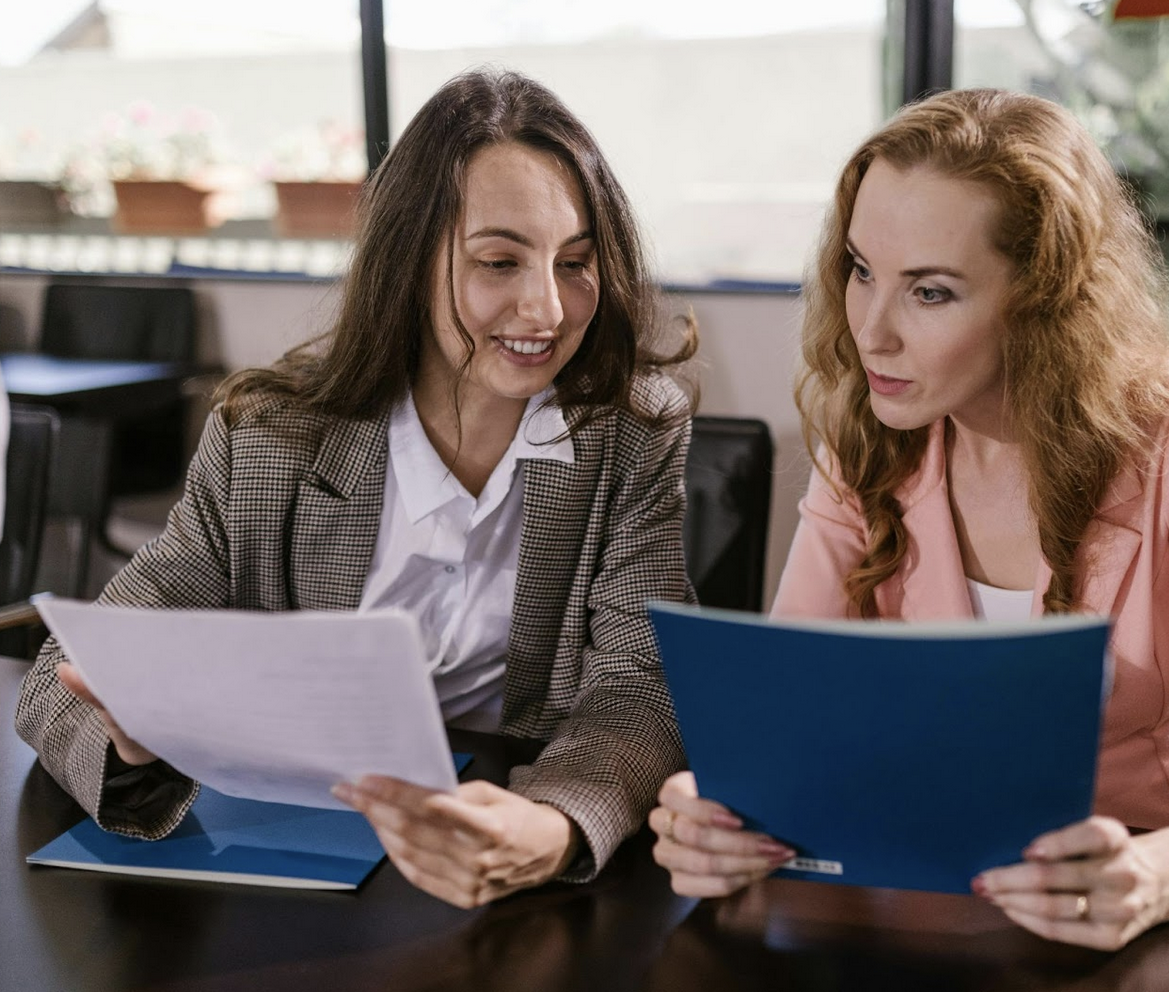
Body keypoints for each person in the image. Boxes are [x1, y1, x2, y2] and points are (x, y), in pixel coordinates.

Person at [648, 87, 1169, 951]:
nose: (870, 334)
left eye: (929, 292)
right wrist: (716, 816)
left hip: (1163, 905)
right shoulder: (870, 431)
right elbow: (790, 734)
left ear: (1044, 302)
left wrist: (1157, 877)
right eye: (860, 271)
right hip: (933, 898)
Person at [15, 67, 697, 909]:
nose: (548, 308)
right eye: (499, 261)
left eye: (576, 262)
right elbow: (60, 679)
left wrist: (554, 825)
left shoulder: (629, 431)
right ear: (410, 263)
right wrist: (135, 745)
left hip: (509, 855)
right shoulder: (269, 439)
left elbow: (640, 679)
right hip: (300, 866)